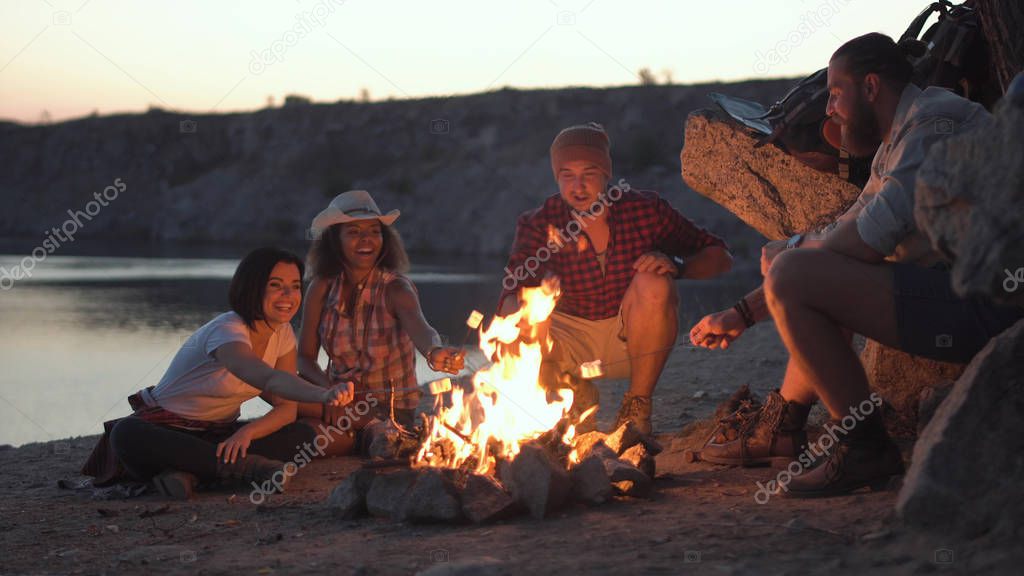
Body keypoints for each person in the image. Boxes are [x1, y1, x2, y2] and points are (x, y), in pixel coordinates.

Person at [689, 33, 1024, 496]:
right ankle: (787, 426)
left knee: (795, 273)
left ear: (870, 87)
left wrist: (790, 254)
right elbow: (841, 238)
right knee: (801, 271)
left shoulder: (935, 124)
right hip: (965, 293)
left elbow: (863, 243)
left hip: (994, 302)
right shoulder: (900, 139)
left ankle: (863, 448)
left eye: (834, 93)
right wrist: (744, 311)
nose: (829, 109)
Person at [500, 123, 733, 435]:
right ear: (556, 177)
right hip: (567, 346)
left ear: (606, 174)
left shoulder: (645, 210)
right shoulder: (538, 223)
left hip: (631, 342)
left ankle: (637, 407)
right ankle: (571, 394)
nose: (578, 185)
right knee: (517, 307)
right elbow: (511, 295)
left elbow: (721, 257)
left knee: (654, 281)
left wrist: (678, 265)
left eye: (589, 173)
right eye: (567, 174)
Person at [83, 247, 353, 499]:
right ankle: (249, 469)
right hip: (165, 431)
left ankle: (190, 474)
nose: (289, 296)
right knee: (126, 433)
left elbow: (285, 409)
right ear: (252, 287)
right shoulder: (227, 331)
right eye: (275, 286)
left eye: (295, 287)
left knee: (300, 435)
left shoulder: (282, 334)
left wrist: (247, 433)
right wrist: (324, 393)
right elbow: (268, 379)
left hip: (216, 435)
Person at [296, 190, 463, 454]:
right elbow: (304, 358)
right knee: (279, 390)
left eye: (374, 231)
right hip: (336, 399)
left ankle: (376, 435)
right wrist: (328, 390)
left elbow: (421, 327)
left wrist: (435, 352)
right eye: (354, 232)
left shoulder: (396, 288)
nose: (366, 240)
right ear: (335, 240)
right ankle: (357, 438)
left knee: (308, 432)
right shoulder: (321, 287)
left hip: (389, 407)